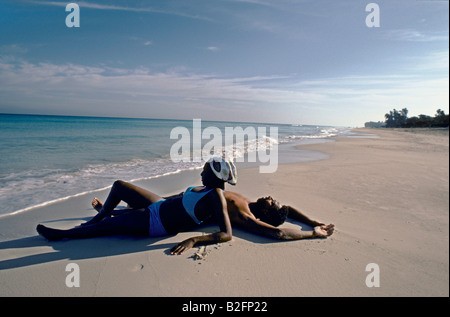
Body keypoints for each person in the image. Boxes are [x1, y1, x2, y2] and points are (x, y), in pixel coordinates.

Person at [36, 157, 237, 255]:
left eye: (204, 171)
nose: (201, 174)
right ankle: (101, 215)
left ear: (215, 175)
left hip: (157, 223)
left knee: (106, 227)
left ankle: (62, 234)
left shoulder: (216, 194)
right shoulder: (205, 187)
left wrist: (193, 240)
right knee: (119, 186)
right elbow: (179, 197)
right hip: (159, 205)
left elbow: (226, 234)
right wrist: (150, 201)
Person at [91, 191, 334, 242]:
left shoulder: (244, 213)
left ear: (267, 212)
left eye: (272, 201)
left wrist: (312, 233)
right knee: (129, 192)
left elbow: (277, 231)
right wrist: (312, 220)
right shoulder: (252, 201)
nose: (270, 196)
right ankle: (110, 211)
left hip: (176, 214)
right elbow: (288, 210)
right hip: (177, 200)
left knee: (132, 210)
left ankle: (107, 215)